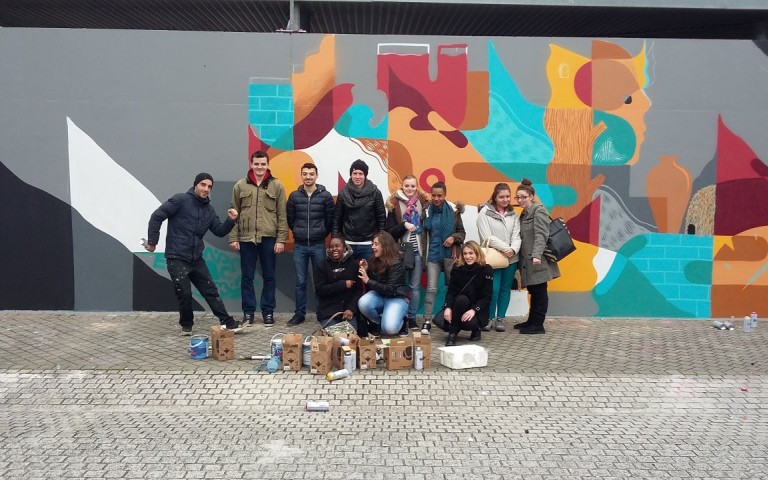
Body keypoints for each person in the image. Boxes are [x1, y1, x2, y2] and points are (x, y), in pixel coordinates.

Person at [145, 173, 242, 335]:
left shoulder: (209, 210)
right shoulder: (180, 200)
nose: (206, 189)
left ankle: (228, 322)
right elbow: (157, 217)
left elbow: (219, 231)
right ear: (195, 185)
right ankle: (186, 325)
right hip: (176, 256)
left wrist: (231, 220)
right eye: (203, 185)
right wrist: (153, 242)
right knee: (184, 293)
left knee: (210, 291)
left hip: (196, 259)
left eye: (209, 187)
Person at [229, 150, 288, 327]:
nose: (260, 167)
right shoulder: (240, 186)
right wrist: (233, 237)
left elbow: (282, 214)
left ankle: (268, 312)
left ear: (268, 165)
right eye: (256, 164)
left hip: (269, 238)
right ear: (251, 164)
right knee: (247, 277)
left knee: (269, 276)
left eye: (263, 164)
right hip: (246, 238)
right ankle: (248, 313)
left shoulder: (277, 185)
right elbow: (233, 213)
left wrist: (281, 239)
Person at [286, 162, 335, 326]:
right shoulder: (294, 196)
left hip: (318, 245)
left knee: (320, 281)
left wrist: (321, 233)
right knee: (300, 282)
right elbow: (290, 219)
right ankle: (299, 314)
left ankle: (322, 313)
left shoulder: (325, 196)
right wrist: (298, 231)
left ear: (316, 175)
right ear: (301, 175)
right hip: (300, 245)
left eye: (311, 174)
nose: (308, 177)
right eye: (305, 174)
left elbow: (330, 220)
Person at [515, 178, 561, 334]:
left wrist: (536, 255)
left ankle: (538, 325)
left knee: (540, 291)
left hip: (537, 259)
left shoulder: (538, 211)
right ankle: (531, 321)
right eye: (518, 197)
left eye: (523, 197)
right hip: (528, 260)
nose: (520, 200)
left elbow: (542, 234)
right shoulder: (525, 213)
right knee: (534, 291)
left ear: (531, 197)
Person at [421, 181, 465, 333]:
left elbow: (462, 233)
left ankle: (451, 320)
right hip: (433, 255)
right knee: (431, 289)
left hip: (450, 256)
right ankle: (427, 321)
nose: (436, 199)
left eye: (439, 196)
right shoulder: (426, 211)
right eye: (433, 195)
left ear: (445, 195)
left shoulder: (453, 211)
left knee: (451, 289)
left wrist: (453, 237)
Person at [476, 182, 521, 333]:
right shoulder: (484, 213)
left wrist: (513, 249)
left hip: (511, 258)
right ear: (495, 197)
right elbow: (486, 236)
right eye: (502, 197)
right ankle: (488, 318)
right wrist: (505, 248)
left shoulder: (514, 215)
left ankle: (500, 318)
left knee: (505, 289)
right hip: (493, 259)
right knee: (492, 289)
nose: (505, 199)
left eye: (508, 196)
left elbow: (517, 235)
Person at [385, 174, 428, 330]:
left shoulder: (423, 202)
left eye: (412, 186)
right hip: (401, 252)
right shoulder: (394, 203)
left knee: (414, 287)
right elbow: (389, 231)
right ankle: (401, 317)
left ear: (417, 187)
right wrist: (404, 225)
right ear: (402, 186)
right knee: (400, 286)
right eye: (407, 186)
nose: (410, 189)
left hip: (418, 251)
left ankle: (412, 318)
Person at [357, 232, 410, 336]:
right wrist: (367, 270)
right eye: (372, 244)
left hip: (396, 297)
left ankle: (403, 321)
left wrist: (368, 280)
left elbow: (390, 289)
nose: (373, 247)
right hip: (380, 295)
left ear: (385, 246)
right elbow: (374, 284)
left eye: (376, 244)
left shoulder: (397, 263)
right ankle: (377, 323)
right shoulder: (375, 260)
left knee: (390, 329)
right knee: (363, 303)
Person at [333, 159, 386, 261]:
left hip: (369, 244)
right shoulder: (343, 194)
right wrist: (335, 240)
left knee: (369, 271)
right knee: (347, 271)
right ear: (351, 174)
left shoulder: (375, 193)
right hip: (348, 244)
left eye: (360, 173)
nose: (357, 177)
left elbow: (381, 218)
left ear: (365, 175)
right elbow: (337, 219)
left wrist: (381, 240)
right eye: (355, 173)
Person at [442, 241, 494, 346]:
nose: (468, 257)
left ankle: (476, 329)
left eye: (471, 253)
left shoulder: (486, 269)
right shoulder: (457, 268)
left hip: (477, 308)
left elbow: (486, 297)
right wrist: (448, 307)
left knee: (468, 323)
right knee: (462, 299)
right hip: (460, 305)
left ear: (477, 254)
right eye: (465, 253)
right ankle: (452, 333)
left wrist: (474, 310)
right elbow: (451, 291)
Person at [313, 235, 364, 332]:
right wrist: (342, 284)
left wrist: (351, 309)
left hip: (348, 311)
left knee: (350, 337)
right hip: (329, 311)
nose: (334, 249)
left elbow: (358, 291)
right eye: (331, 247)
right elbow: (319, 290)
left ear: (344, 248)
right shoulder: (322, 266)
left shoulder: (353, 265)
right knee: (335, 337)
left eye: (337, 246)